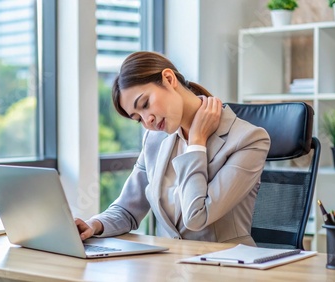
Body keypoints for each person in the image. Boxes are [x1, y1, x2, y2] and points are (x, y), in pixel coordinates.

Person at [75, 51, 270, 246]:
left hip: (226, 267)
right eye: (138, 119)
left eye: (145, 104)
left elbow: (197, 217)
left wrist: (196, 143)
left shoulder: (249, 140)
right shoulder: (154, 140)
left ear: (169, 79)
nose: (147, 120)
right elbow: (128, 209)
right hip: (169, 265)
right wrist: (94, 224)